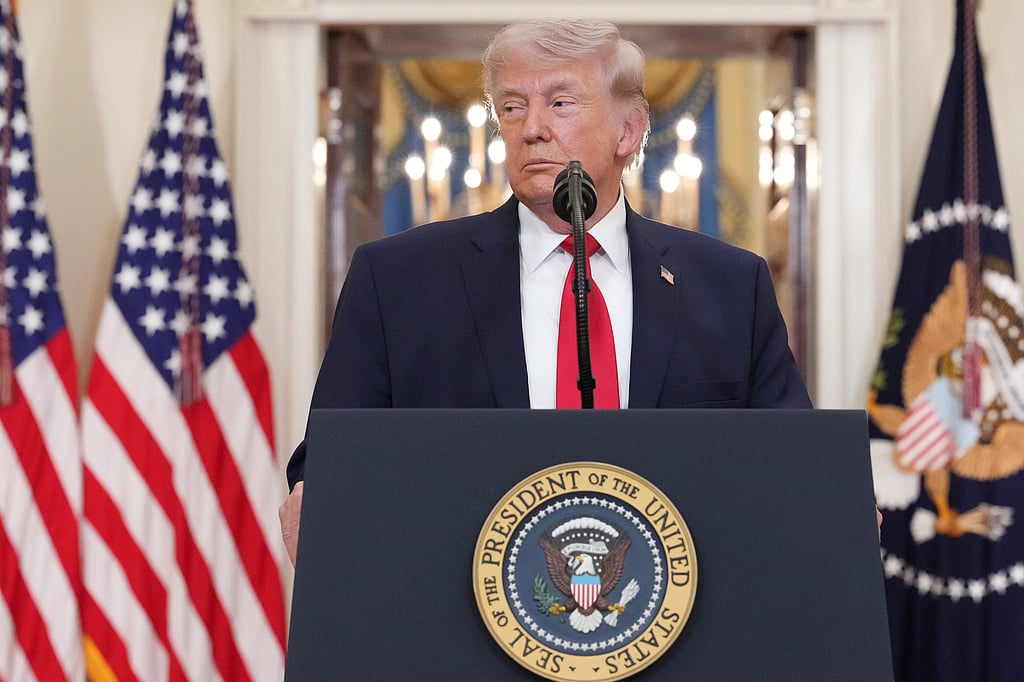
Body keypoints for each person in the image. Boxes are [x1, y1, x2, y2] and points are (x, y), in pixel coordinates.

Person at [279, 19, 815, 565]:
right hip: (455, 618)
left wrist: (829, 504)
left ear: (627, 132)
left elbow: (794, 469)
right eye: (512, 107)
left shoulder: (729, 286)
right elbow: (330, 466)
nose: (531, 127)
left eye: (561, 104)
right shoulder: (396, 280)